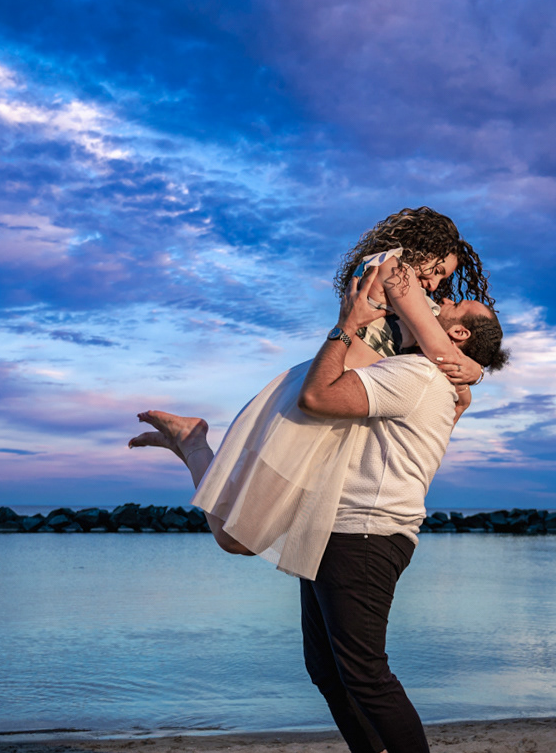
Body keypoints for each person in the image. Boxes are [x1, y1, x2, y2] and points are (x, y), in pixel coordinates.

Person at [131, 208, 507, 580]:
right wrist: (473, 371)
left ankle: (192, 443)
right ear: (425, 248)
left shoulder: (400, 280)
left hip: (340, 404)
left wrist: (470, 375)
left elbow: (437, 360)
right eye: (439, 271)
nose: (436, 285)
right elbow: (437, 347)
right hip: (320, 399)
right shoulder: (397, 270)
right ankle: (193, 442)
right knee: (238, 536)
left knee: (241, 537)